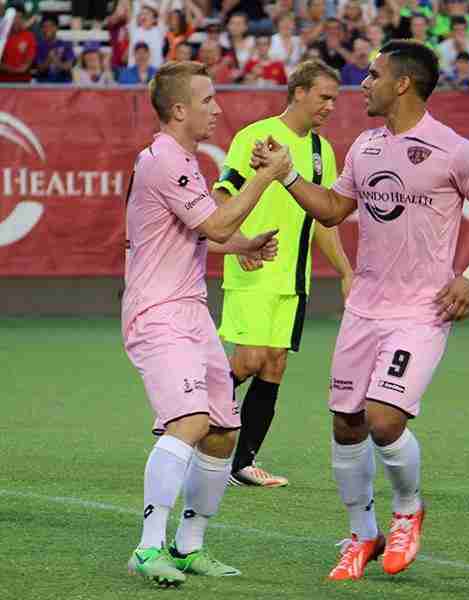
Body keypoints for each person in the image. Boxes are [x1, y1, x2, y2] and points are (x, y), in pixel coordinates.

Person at [252, 39, 469, 579]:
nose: (362, 84)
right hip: (365, 309)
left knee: (383, 417)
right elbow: (333, 209)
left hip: (422, 310)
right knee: (346, 424)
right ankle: (360, 534)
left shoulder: (456, 149)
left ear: (403, 83)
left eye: (373, 75)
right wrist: (286, 175)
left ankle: (406, 511)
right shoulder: (365, 148)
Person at [122, 60, 292, 586]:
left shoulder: (184, 161)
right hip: (158, 313)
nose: (217, 108)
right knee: (191, 422)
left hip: (191, 310)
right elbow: (215, 220)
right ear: (179, 110)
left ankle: (189, 546)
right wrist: (267, 176)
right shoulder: (165, 161)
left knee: (222, 431)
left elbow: (204, 232)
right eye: (208, 100)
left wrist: (242, 245)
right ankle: (148, 548)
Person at [213, 59, 353, 487]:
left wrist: (347, 272)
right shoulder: (256, 136)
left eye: (335, 98)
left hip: (294, 278)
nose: (331, 106)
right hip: (253, 268)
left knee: (273, 366)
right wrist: (238, 243)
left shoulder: (320, 152)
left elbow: (322, 222)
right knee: (250, 360)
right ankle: (179, 414)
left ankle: (243, 463)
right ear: (299, 92)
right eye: (324, 96)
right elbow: (222, 193)